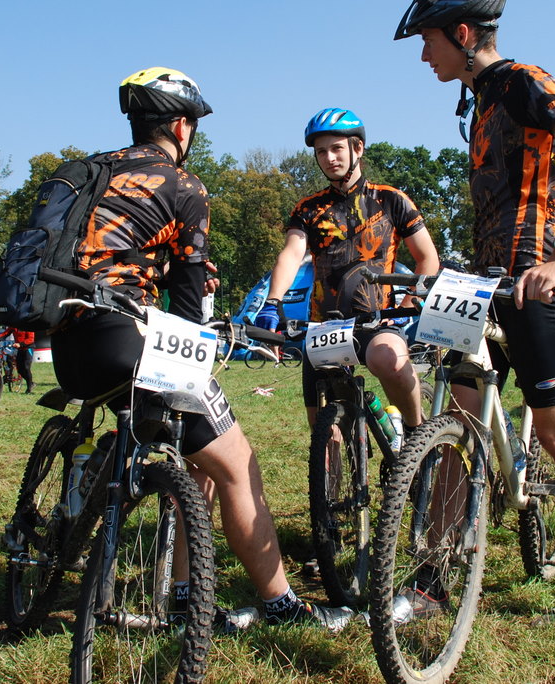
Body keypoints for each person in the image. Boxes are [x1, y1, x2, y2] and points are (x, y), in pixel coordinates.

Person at [49, 66, 353, 631]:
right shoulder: (183, 186)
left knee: (195, 454)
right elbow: (189, 308)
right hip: (126, 341)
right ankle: (281, 605)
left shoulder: (90, 170)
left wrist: (161, 270)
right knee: (235, 463)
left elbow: (104, 257)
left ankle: (107, 498)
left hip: (68, 345)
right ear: (181, 126)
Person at [394, 0, 555, 624]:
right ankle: (433, 576)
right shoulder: (478, 101)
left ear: (463, 34)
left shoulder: (525, 81)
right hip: (481, 284)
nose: (424, 55)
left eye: (429, 41)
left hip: (533, 279)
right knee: (454, 420)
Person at [256, 108, 439, 436]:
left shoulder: (390, 200)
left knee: (390, 363)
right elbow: (292, 253)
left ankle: (416, 431)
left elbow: (427, 258)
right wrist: (272, 301)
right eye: (321, 152)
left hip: (378, 321)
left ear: (358, 148)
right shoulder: (308, 208)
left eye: (336, 148)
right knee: (324, 434)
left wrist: (408, 306)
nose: (329, 158)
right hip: (325, 326)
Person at [0, 326, 36, 394]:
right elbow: (5, 334)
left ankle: (29, 388)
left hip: (28, 348)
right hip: (20, 349)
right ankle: (31, 383)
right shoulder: (14, 326)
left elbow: (31, 339)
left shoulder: (27, 325)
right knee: (19, 370)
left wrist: (20, 344)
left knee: (26, 367)